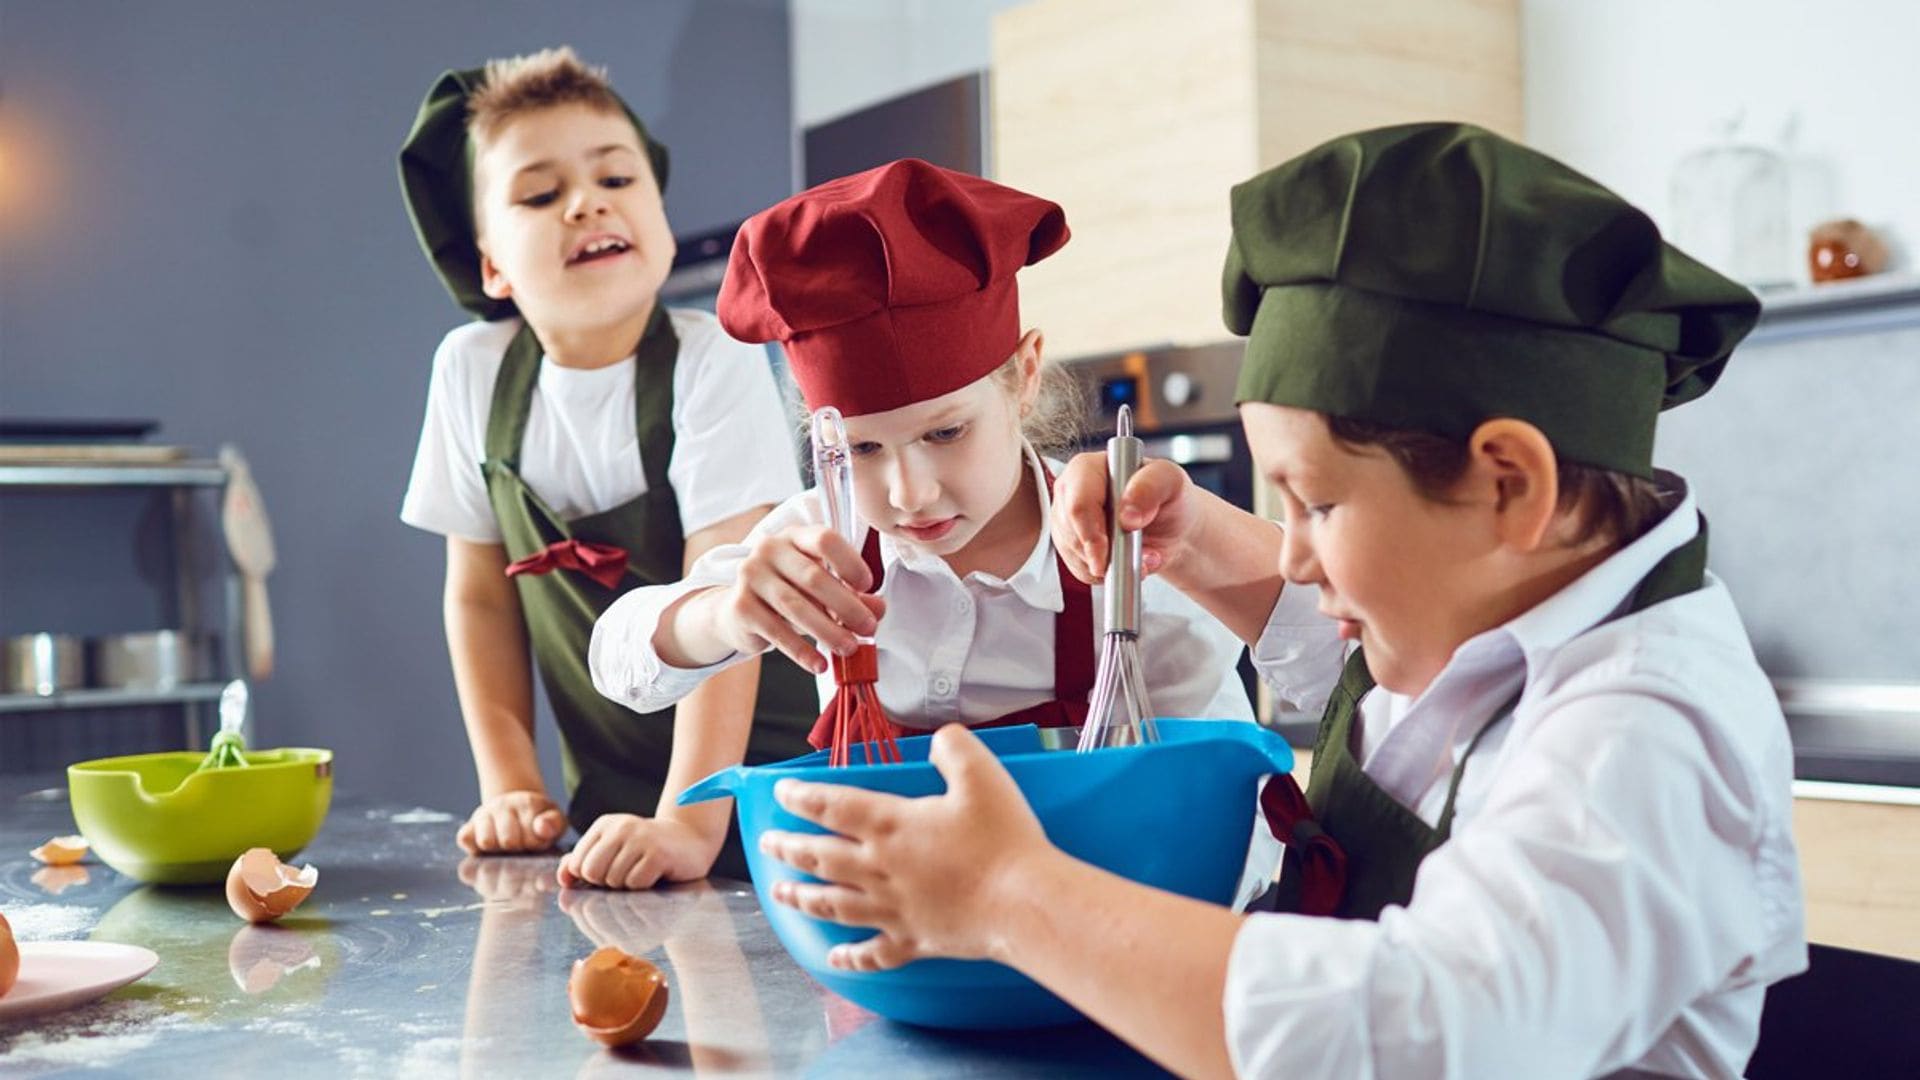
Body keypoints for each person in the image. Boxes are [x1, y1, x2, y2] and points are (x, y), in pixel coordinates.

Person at [753, 124, 1807, 1079]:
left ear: (1509, 486)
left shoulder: (1647, 731)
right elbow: (1328, 651)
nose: (1294, 555)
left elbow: (1432, 1031)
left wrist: (1013, 897)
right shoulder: (1494, 629)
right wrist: (1196, 536)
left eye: (1316, 503)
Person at [589, 158, 1344, 907]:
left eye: (946, 433)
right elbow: (616, 660)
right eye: (862, 450)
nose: (909, 491)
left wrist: (1203, 540)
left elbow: (1341, 678)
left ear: (1025, 375)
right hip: (928, 937)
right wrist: (723, 615)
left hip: (1159, 923)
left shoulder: (1127, 549)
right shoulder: (826, 531)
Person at [396, 46, 816, 888]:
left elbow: (723, 591)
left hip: (775, 789)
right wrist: (511, 784)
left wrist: (689, 822)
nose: (586, 203)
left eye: (617, 180)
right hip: (617, 808)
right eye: (541, 194)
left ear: (658, 215)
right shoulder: (472, 372)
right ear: (491, 267)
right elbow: (479, 595)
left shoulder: (714, 358)